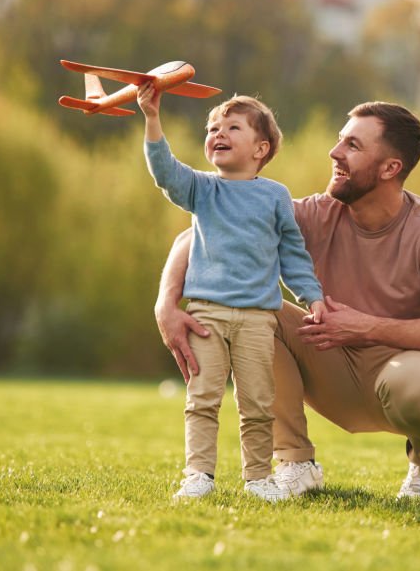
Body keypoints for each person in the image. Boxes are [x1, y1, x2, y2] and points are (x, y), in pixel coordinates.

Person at [156, 101, 420, 500]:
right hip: (330, 362)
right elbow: (197, 236)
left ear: (389, 168)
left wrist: (366, 326)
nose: (335, 152)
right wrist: (166, 304)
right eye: (340, 140)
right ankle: (295, 462)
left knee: (413, 386)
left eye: (353, 146)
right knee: (258, 315)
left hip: (401, 374)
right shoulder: (314, 214)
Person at [139, 82, 326, 502]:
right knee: (202, 399)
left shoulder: (276, 197)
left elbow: (293, 256)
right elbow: (165, 172)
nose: (217, 134)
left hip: (259, 319)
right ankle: (198, 476)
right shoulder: (203, 190)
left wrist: (311, 297)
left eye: (232, 128)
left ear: (261, 149)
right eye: (212, 128)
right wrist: (152, 118)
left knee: (258, 404)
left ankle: (258, 478)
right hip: (206, 316)